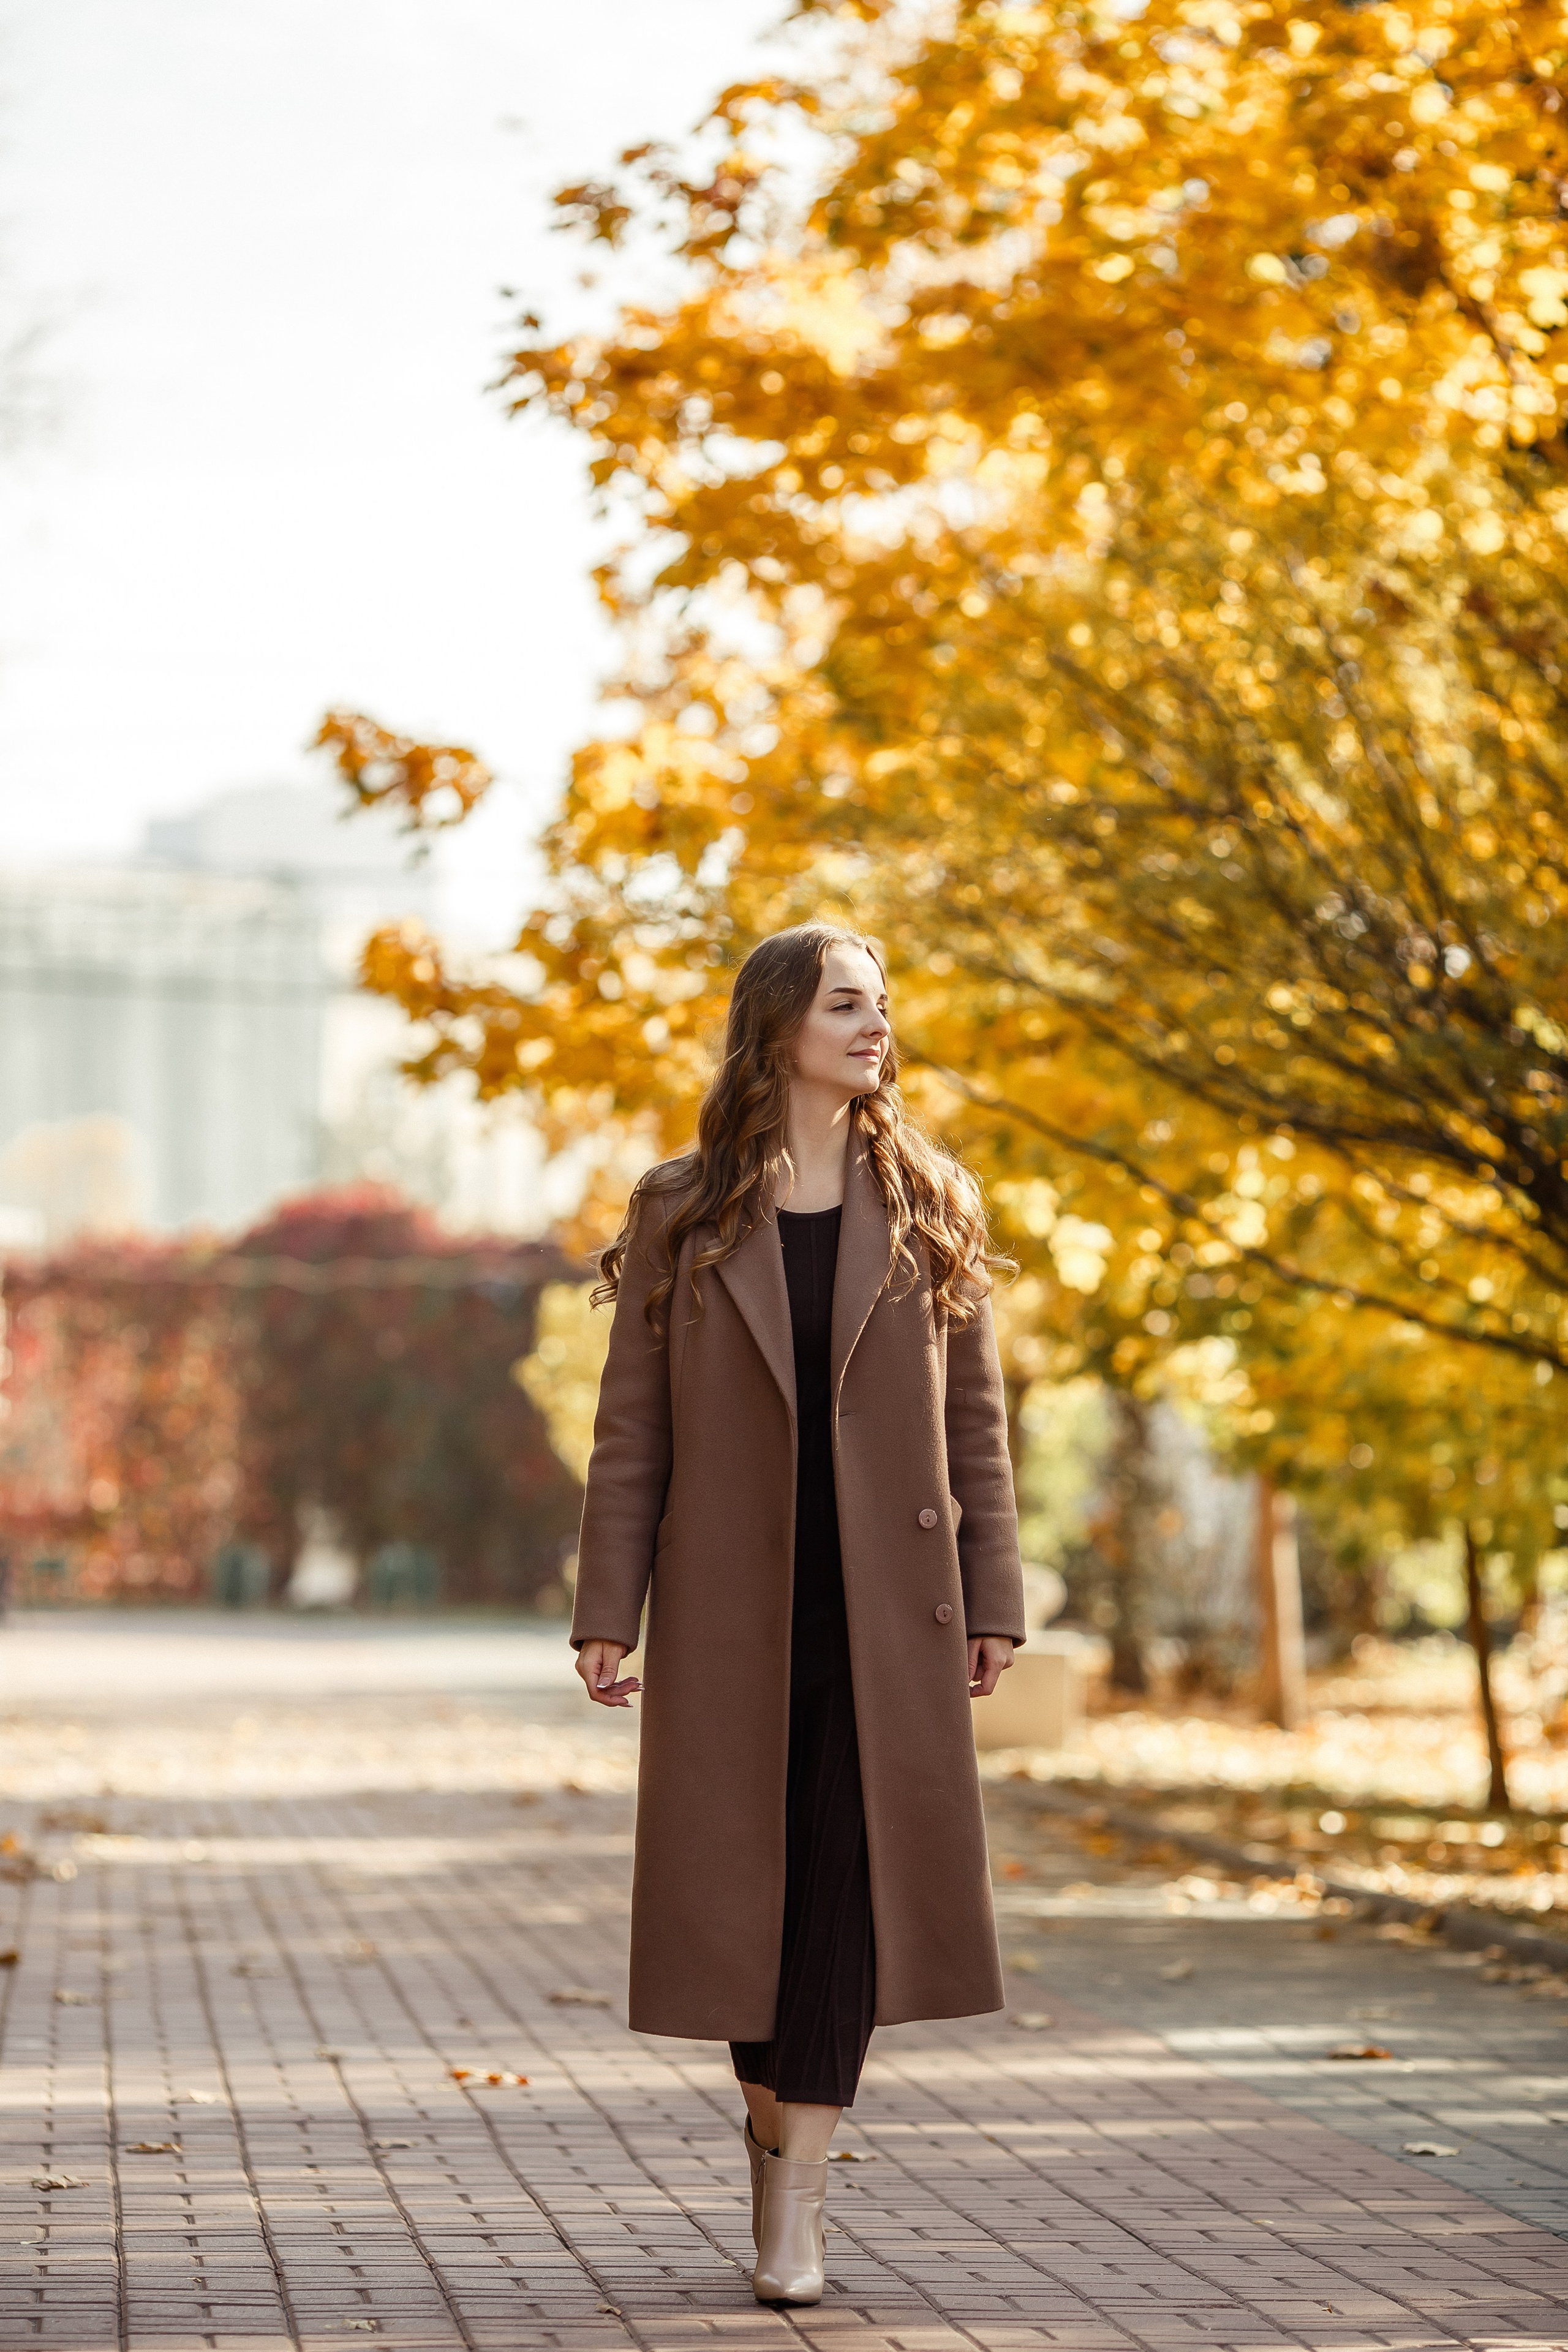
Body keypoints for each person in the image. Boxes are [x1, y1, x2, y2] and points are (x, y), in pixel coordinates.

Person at [571, 922, 1024, 2304]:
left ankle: (796, 2208)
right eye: (845, 1005)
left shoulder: (933, 1201)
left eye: (882, 1005)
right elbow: (629, 1432)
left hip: (890, 1613)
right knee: (741, 1910)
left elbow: (977, 1430)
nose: (874, 1027)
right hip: (726, 1614)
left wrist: (991, 1599)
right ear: (776, 1028)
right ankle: (770, 2134)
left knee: (845, 1895)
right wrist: (608, 1608)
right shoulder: (683, 1209)